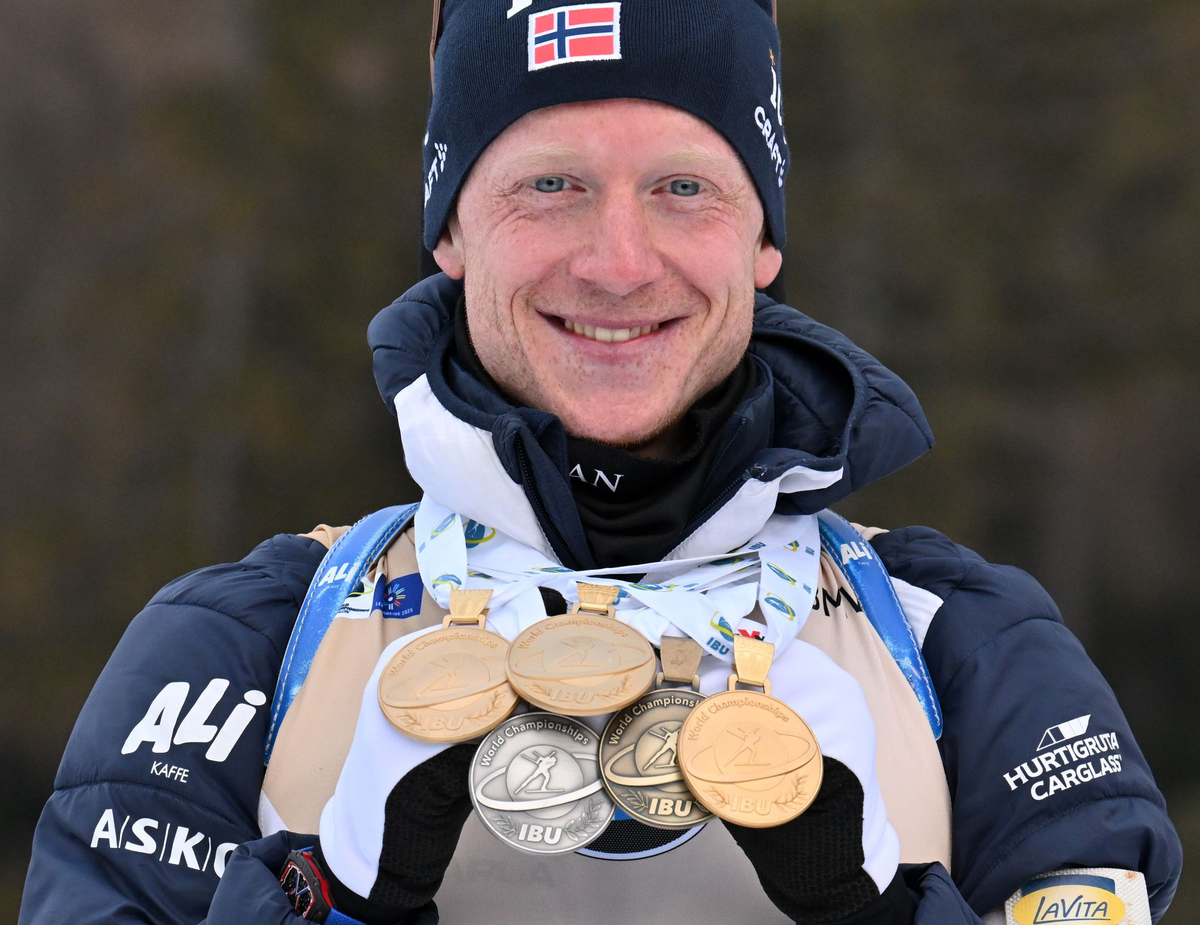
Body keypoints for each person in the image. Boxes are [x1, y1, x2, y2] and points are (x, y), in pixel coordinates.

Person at [19, 1, 1183, 923]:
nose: (619, 263)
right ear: (449, 227)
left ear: (763, 238)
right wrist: (328, 899)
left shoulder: (965, 646)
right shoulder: (247, 642)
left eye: (683, 187)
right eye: (552, 184)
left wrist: (880, 911)